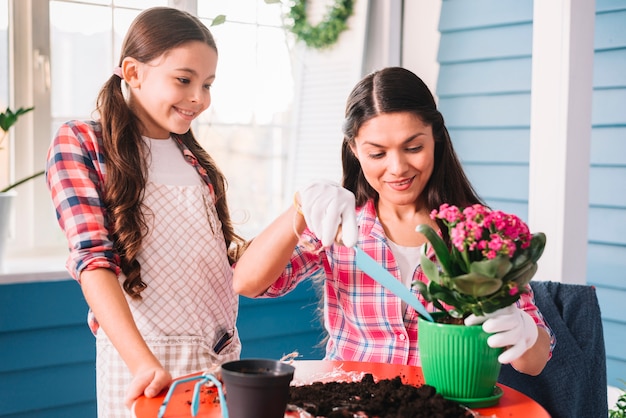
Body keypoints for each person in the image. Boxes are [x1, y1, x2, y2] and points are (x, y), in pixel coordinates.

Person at [233, 67, 555, 376]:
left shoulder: (474, 234)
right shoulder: (338, 223)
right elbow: (249, 283)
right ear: (354, 150)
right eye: (377, 153)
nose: (398, 167)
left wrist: (523, 331)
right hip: (349, 404)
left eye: (413, 147)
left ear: (436, 139)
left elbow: (536, 362)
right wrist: (300, 207)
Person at [45, 7, 245, 417]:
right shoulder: (82, 142)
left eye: (207, 84)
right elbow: (92, 260)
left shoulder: (196, 162)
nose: (199, 98)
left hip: (216, 361)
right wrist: (142, 362)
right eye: (184, 80)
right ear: (133, 73)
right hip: (140, 364)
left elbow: (215, 263)